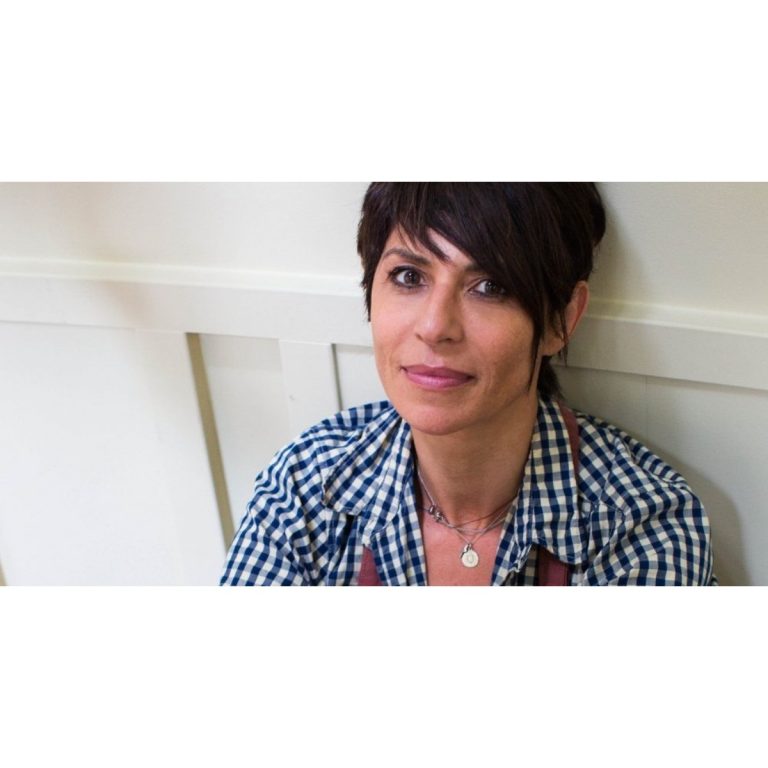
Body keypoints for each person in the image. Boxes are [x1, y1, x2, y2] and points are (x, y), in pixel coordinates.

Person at [220, 183, 715, 586]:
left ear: (560, 321)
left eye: (491, 286)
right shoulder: (306, 488)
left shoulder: (641, 525)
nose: (435, 326)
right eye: (408, 276)